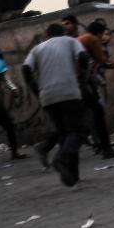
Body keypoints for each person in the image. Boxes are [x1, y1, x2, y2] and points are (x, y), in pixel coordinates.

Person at [22, 23, 90, 186]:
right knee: (78, 132)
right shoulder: (70, 41)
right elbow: (83, 58)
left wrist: (35, 89)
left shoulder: (37, 49)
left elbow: (25, 68)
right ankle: (60, 159)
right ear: (64, 32)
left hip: (47, 96)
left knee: (64, 134)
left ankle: (72, 175)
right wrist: (82, 80)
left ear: (47, 34)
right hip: (69, 91)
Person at [77, 20, 114, 158]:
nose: (103, 37)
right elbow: (104, 61)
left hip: (79, 81)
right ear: (98, 33)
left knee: (86, 115)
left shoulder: (82, 39)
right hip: (82, 82)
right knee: (97, 113)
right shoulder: (91, 39)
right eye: (103, 34)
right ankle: (106, 149)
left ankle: (101, 146)